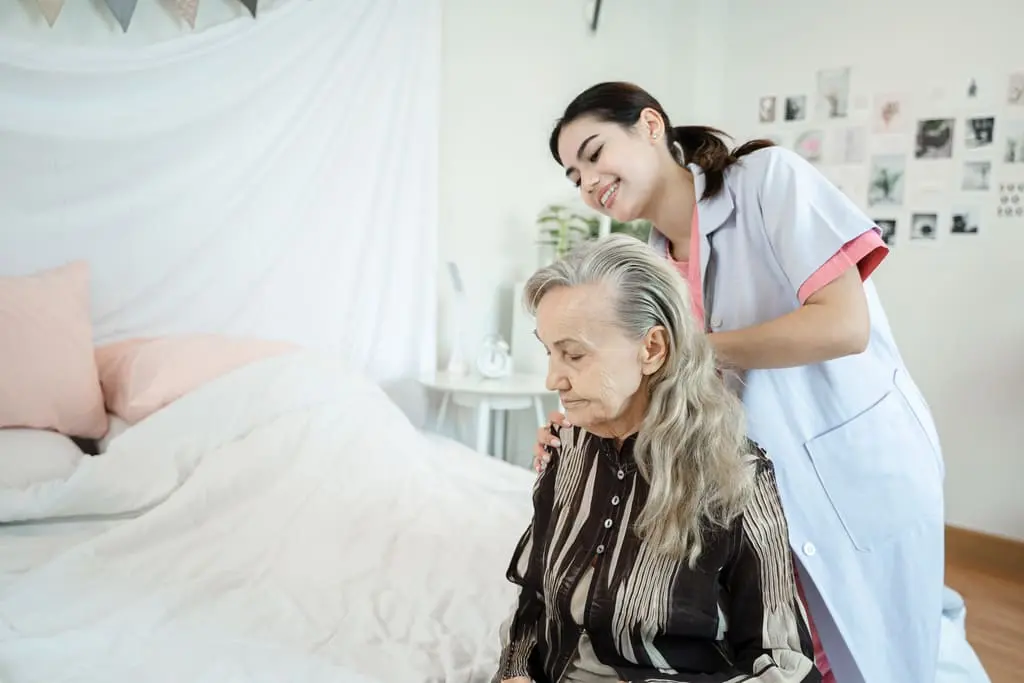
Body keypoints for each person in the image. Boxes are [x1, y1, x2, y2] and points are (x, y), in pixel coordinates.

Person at [533, 82, 955, 683]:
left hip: (854, 464)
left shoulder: (768, 180)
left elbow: (843, 325)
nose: (587, 180)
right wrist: (580, 424)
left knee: (887, 653)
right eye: (573, 176)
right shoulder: (650, 267)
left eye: (595, 153)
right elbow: (660, 388)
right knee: (808, 654)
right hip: (763, 489)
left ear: (651, 126)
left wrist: (690, 352)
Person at [494, 235, 820, 683]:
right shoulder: (565, 453)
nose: (554, 378)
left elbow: (785, 665)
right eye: (548, 352)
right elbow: (533, 610)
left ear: (652, 349)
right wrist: (516, 673)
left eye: (573, 355)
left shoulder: (735, 477)